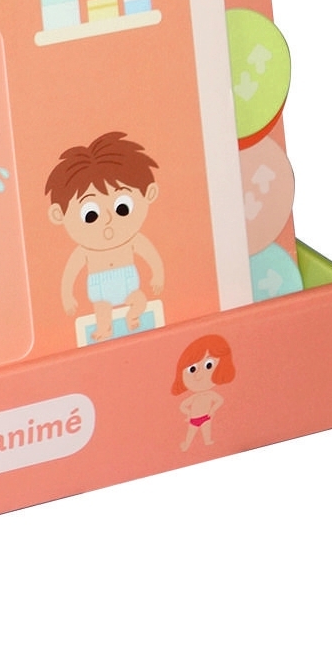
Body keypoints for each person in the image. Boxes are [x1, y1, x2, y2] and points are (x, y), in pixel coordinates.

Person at [45, 131, 165, 342]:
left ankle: (133, 316)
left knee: (139, 300)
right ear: (58, 215)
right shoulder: (84, 251)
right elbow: (71, 272)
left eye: (122, 208)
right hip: (100, 287)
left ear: (149, 193)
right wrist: (67, 295)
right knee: (102, 311)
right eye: (90, 215)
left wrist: (158, 274)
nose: (108, 219)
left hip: (128, 282)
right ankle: (105, 330)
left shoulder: (133, 241)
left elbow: (150, 255)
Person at [172, 335, 234, 449]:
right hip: (194, 418)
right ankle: (187, 444)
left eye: (208, 365)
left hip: (206, 417)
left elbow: (220, 400)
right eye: (192, 369)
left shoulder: (210, 394)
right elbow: (183, 406)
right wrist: (189, 414)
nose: (199, 375)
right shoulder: (197, 397)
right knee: (191, 433)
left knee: (206, 431)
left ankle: (207, 441)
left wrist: (212, 410)